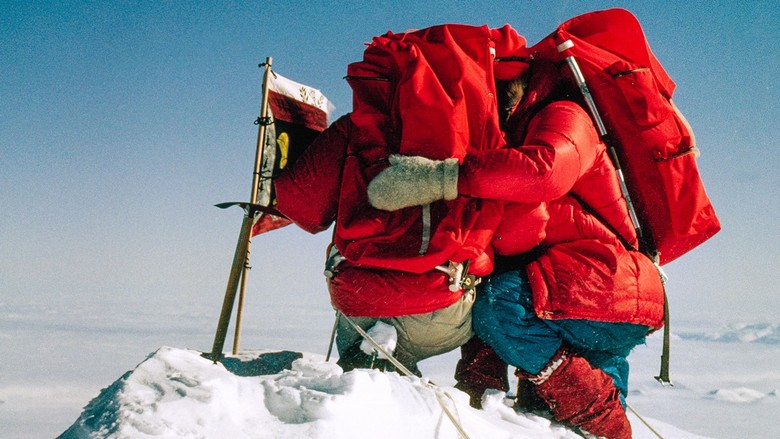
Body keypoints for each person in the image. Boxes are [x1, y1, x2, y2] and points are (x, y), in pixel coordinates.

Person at [367, 59, 666, 438]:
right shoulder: (527, 130)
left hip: (602, 281)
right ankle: (594, 417)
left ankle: (608, 425)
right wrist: (478, 390)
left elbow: (545, 169)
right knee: (553, 408)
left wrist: (442, 178)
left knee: (497, 305)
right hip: (611, 294)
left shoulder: (565, 114)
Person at [271, 24, 532, 375]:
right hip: (441, 304)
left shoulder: (358, 126)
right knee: (498, 290)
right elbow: (520, 233)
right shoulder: (491, 143)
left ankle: (367, 366)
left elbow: (300, 206)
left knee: (368, 364)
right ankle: (478, 385)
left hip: (359, 297)